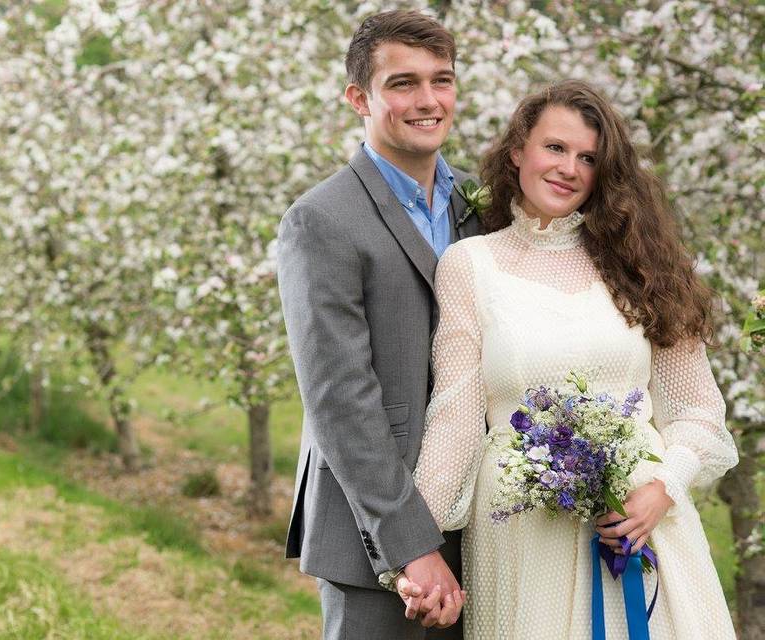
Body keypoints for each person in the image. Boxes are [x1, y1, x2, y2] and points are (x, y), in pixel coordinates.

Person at [396, 79, 739, 638]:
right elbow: (455, 418)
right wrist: (415, 548)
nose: (569, 169)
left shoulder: (642, 266)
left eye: (588, 158)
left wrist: (662, 490)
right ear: (517, 151)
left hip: (639, 522)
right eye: (555, 148)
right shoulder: (469, 264)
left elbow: (699, 411)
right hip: (524, 530)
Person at [277, 9, 483, 639]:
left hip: (482, 521)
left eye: (441, 80)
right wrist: (409, 545)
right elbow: (340, 398)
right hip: (376, 534)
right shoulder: (321, 220)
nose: (428, 101)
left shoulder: (484, 205)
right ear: (358, 98)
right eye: (403, 83)